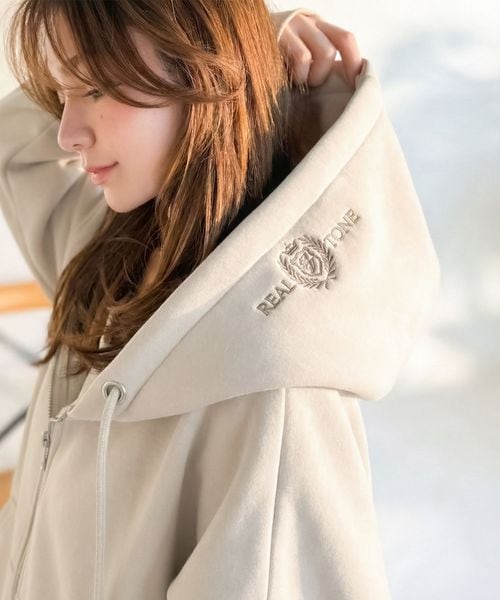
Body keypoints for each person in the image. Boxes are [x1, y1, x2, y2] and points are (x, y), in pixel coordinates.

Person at [0, 2, 440, 599]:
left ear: (201, 69)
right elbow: (15, 146)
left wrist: (242, 57)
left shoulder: (272, 400)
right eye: (62, 92)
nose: (67, 131)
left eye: (96, 88)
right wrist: (256, 46)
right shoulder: (114, 255)